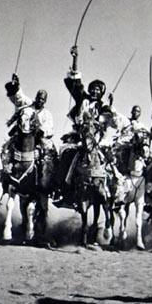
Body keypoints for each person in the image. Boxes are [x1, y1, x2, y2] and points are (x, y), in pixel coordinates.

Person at [54, 45, 112, 207]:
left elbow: (109, 119)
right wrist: (75, 59)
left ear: (101, 93)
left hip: (98, 141)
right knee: (67, 154)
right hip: (79, 138)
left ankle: (113, 193)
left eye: (97, 90)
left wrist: (102, 120)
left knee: (112, 161)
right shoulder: (82, 99)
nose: (94, 91)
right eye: (92, 89)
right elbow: (75, 83)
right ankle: (63, 190)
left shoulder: (104, 107)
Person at [5, 73, 55, 152]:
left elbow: (49, 129)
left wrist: (40, 131)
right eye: (38, 98)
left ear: (45, 101)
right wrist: (16, 86)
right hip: (21, 135)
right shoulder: (28, 104)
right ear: (36, 97)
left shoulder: (47, 114)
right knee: (8, 150)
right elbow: (20, 98)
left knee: (47, 153)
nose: (40, 100)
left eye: (42, 99)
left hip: (38, 140)